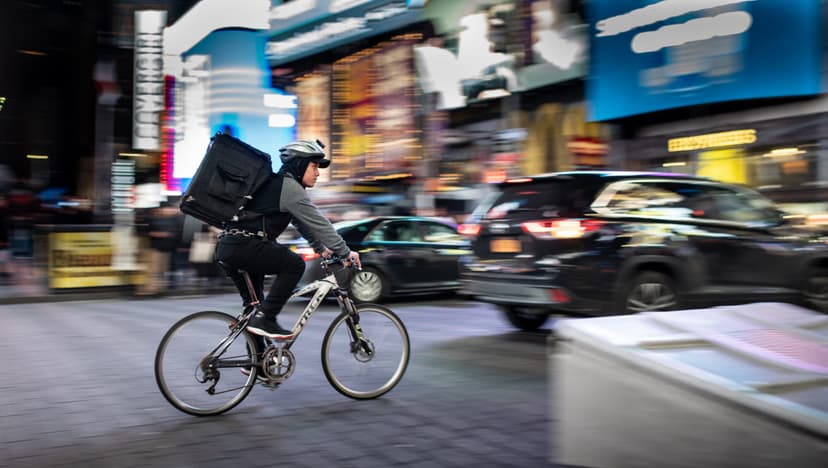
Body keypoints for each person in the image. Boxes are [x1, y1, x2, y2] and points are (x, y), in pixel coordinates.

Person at [214, 139, 361, 340]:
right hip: (245, 246)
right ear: (300, 164)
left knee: (255, 308)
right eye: (314, 166)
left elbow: (301, 223)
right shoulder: (290, 188)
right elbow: (320, 223)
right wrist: (345, 251)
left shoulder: (279, 185)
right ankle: (267, 318)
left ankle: (256, 366)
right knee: (294, 265)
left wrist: (321, 249)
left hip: (230, 246)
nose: (318, 172)